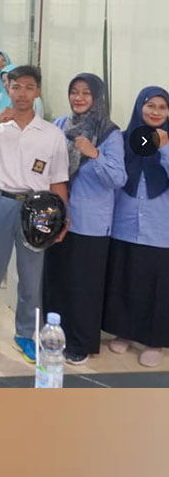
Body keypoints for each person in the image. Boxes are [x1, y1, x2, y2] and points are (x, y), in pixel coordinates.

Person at [0, 65, 69, 363]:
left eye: (28, 87)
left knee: (31, 278)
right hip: (1, 204)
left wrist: (62, 218)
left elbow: (58, 181)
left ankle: (25, 334)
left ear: (37, 91)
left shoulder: (52, 133)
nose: (22, 93)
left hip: (39, 210)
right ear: (7, 89)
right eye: (16, 87)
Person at [41, 74, 125, 365]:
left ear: (97, 97)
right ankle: (54, 336)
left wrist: (95, 154)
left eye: (86, 93)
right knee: (57, 280)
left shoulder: (110, 133)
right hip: (57, 217)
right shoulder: (59, 125)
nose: (78, 98)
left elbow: (118, 178)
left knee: (83, 286)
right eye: (74, 91)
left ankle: (80, 342)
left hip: (90, 222)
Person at [103, 86, 169, 368]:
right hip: (124, 224)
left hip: (160, 228)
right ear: (139, 107)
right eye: (150, 105)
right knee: (126, 280)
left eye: (162, 107)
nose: (155, 112)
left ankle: (155, 341)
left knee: (157, 288)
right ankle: (125, 332)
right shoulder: (123, 139)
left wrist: (164, 147)